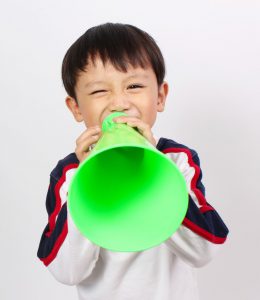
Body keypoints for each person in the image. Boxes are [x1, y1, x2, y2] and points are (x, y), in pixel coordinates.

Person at [37, 22, 229, 300]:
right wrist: (84, 181)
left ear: (160, 96)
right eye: (99, 91)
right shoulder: (68, 175)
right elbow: (66, 271)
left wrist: (159, 176)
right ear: (76, 107)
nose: (119, 103)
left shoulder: (178, 160)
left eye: (135, 86)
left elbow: (205, 248)